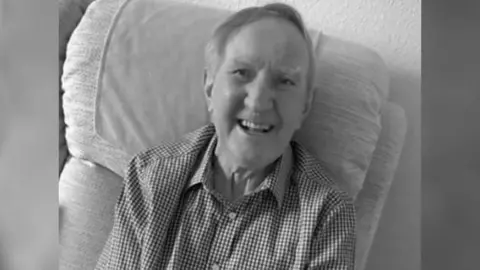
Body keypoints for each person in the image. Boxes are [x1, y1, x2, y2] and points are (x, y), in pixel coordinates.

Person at [95, 3, 356, 269]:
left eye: (285, 80)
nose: (258, 102)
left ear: (304, 107)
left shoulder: (327, 214)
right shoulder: (149, 177)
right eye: (242, 73)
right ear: (210, 88)